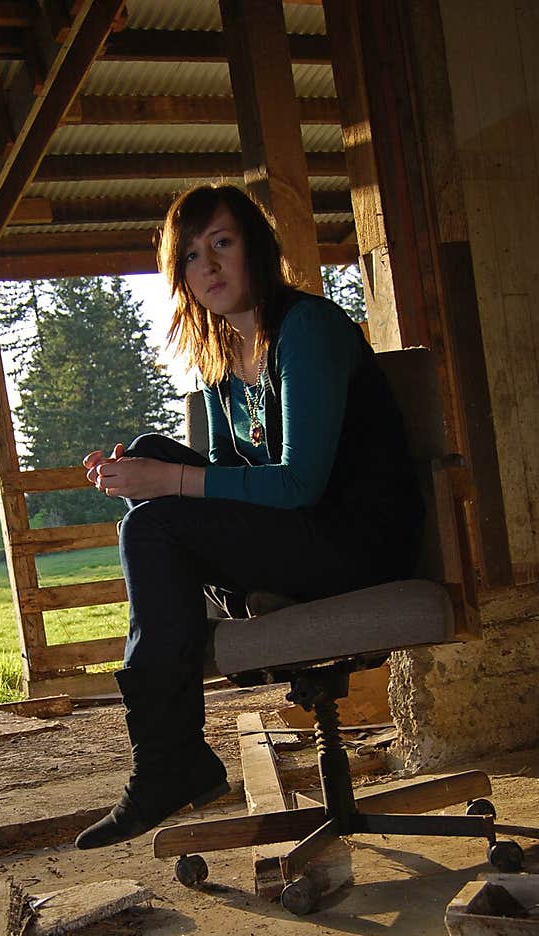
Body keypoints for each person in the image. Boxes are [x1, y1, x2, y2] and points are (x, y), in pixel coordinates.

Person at [75, 182, 424, 851]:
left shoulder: (308, 331)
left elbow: (295, 484)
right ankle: (238, 608)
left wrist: (165, 485)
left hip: (358, 542)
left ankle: (169, 760)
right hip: (306, 538)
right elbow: (226, 486)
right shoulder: (225, 362)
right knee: (152, 467)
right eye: (191, 255)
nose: (208, 265)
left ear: (256, 248)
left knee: (154, 521)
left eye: (223, 243)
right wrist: (137, 475)